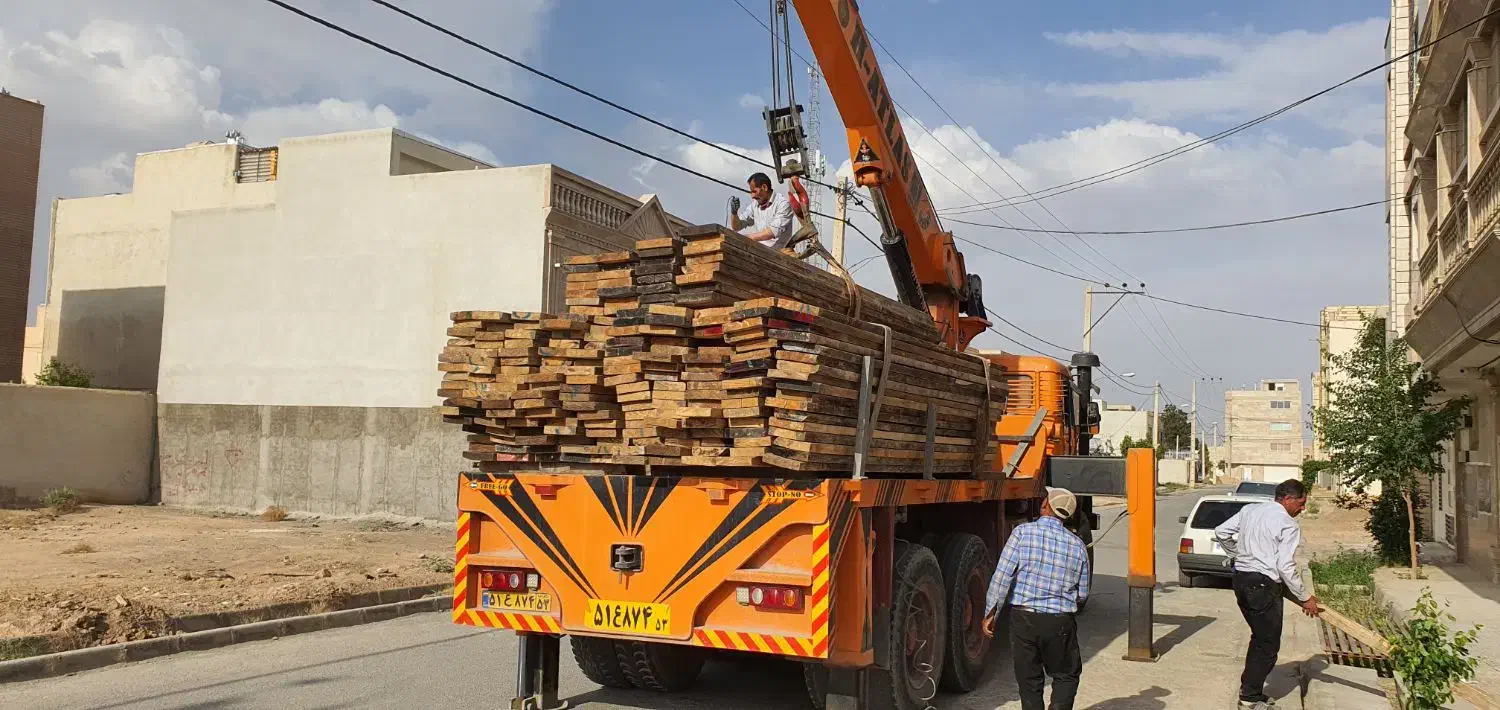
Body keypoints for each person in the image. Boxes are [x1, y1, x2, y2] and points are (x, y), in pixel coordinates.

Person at [1213, 478, 1321, 710]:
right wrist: (1305, 597)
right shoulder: (1288, 524)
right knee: (1268, 645)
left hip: (1241, 580)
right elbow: (1285, 566)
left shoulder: (1250, 510)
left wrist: (1238, 555)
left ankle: (1250, 691)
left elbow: (1221, 531)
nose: (1302, 509)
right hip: (1263, 586)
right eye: (1301, 503)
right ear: (1288, 499)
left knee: (1259, 638)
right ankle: (1249, 698)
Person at [982, 486, 1090, 710]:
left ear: (1044, 506)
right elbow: (1083, 593)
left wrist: (991, 612)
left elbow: (1002, 576)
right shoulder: (1078, 545)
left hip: (1024, 619)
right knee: (1066, 675)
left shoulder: (1022, 533)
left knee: (1029, 681)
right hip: (1060, 621)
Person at [730, 172, 794, 248]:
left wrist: (745, 239)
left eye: (754, 191)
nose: (752, 196)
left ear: (764, 187)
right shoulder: (754, 205)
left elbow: (772, 232)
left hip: (779, 254)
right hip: (760, 252)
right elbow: (736, 227)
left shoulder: (782, 204)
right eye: (751, 192)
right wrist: (734, 213)